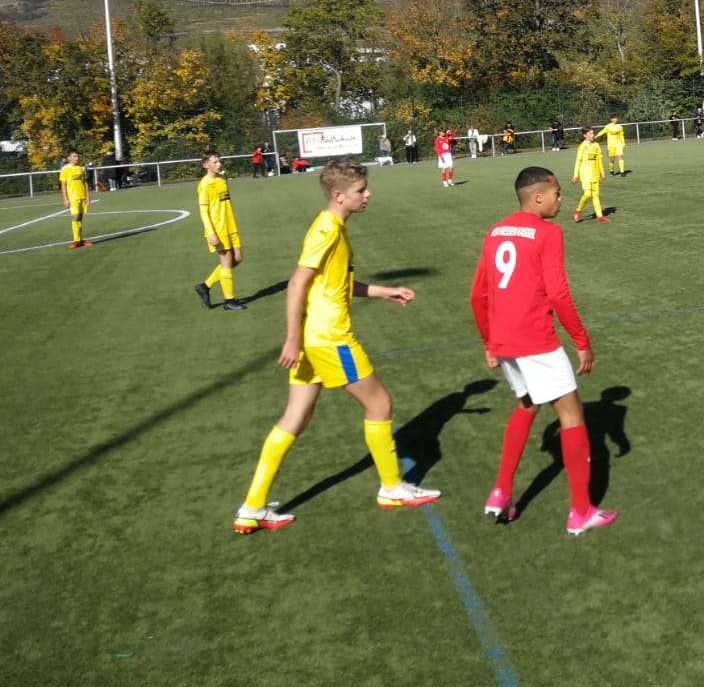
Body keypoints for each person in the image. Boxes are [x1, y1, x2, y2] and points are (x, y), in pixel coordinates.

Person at [232, 159, 441, 533]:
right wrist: (292, 338)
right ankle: (392, 488)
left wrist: (383, 291)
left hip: (314, 338)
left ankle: (252, 506)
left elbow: (334, 285)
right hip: (330, 338)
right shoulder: (327, 229)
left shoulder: (333, 227)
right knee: (379, 404)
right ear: (338, 195)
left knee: (296, 417)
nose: (367, 195)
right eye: (361, 190)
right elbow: (297, 283)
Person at [470, 165, 617, 535]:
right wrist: (581, 341)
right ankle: (580, 512)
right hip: (535, 340)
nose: (561, 199)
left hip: (504, 342)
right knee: (572, 414)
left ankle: (501, 492)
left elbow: (477, 295)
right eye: (556, 193)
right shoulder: (548, 233)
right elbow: (558, 294)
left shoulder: (495, 231)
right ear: (537, 196)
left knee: (527, 404)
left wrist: (489, 342)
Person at [195, 148, 247, 312]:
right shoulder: (205, 185)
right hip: (218, 228)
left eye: (219, 161)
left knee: (238, 258)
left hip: (231, 225)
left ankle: (205, 286)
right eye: (215, 162)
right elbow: (204, 211)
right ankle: (229, 300)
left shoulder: (222, 179)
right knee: (226, 262)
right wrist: (211, 233)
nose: (219, 164)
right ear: (206, 165)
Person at [570, 126, 609, 223]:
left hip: (595, 174)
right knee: (588, 194)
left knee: (596, 195)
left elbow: (599, 160)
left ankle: (599, 216)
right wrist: (575, 176)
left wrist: (602, 173)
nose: (593, 135)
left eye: (593, 133)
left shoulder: (596, 145)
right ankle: (578, 211)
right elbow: (578, 161)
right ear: (585, 135)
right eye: (590, 133)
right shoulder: (583, 146)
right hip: (585, 174)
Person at [59, 149, 91, 248]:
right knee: (75, 217)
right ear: (69, 158)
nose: (77, 158)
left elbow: (85, 183)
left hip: (82, 196)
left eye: (77, 156)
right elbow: (63, 185)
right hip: (72, 197)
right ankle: (76, 240)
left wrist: (88, 196)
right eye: (74, 156)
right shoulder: (65, 169)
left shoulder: (81, 169)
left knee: (80, 218)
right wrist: (65, 199)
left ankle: (80, 240)